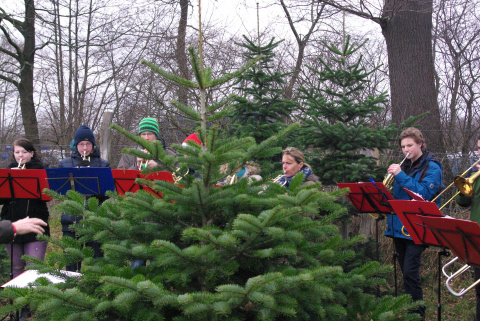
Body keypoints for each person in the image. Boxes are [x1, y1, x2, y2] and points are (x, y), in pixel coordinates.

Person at [384, 127, 443, 320]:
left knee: (410, 271)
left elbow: (423, 195)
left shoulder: (432, 166)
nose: (405, 150)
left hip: (419, 226)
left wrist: (400, 175)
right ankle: (411, 309)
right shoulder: (406, 165)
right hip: (400, 225)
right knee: (405, 271)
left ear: (420, 144)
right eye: (402, 146)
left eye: (409, 145)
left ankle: (418, 314)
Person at [58, 125, 110, 271]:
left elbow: (107, 193)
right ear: (76, 145)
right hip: (70, 221)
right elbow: (58, 191)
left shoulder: (102, 164)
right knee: (71, 265)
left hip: (94, 222)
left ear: (93, 145)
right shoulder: (64, 164)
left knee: (96, 263)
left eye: (88, 144)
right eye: (81, 144)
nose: (85, 147)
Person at [0, 138, 51, 278]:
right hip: (13, 222)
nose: (20, 155)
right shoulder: (7, 172)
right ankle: (18, 299)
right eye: (17, 152)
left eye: (24, 152)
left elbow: (48, 196)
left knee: (34, 268)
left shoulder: (41, 170)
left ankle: (33, 298)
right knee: (16, 267)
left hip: (36, 222)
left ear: (32, 153)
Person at [455, 135, 480, 321]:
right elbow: (462, 203)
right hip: (477, 239)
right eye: (479, 148)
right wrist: (465, 187)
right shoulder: (477, 175)